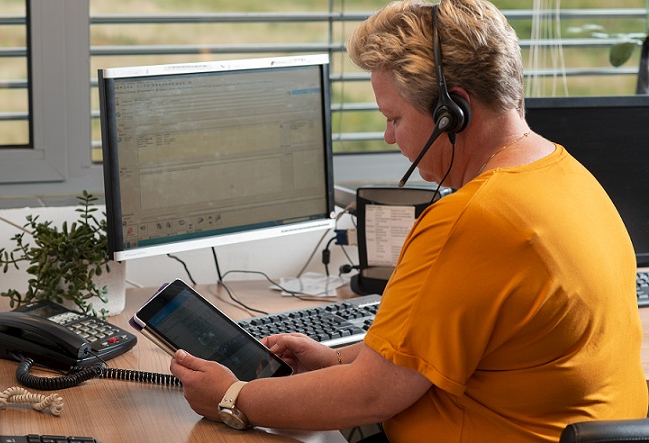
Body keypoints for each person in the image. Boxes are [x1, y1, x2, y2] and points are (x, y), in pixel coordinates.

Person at [170, 0, 649, 441]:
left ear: (452, 112)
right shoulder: (567, 174)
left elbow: (370, 395)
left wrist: (230, 398)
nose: (385, 135)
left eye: (394, 118)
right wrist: (336, 358)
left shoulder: (473, 217)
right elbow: (433, 347)